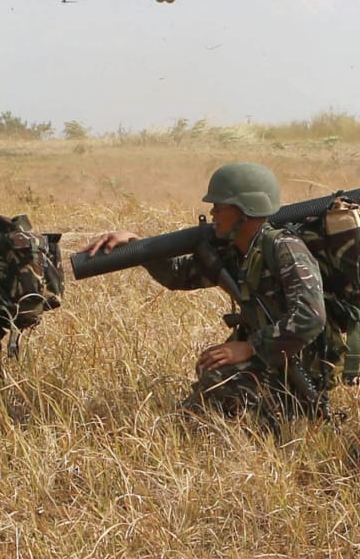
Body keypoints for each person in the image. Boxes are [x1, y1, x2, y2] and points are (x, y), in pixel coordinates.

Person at [80, 163, 328, 425]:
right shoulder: (238, 249)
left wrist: (251, 347)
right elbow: (179, 275)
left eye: (220, 206)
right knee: (209, 375)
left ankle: (274, 421)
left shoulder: (284, 249)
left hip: (298, 358)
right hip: (273, 353)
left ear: (245, 210)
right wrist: (135, 244)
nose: (212, 213)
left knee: (221, 376)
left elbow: (311, 317)